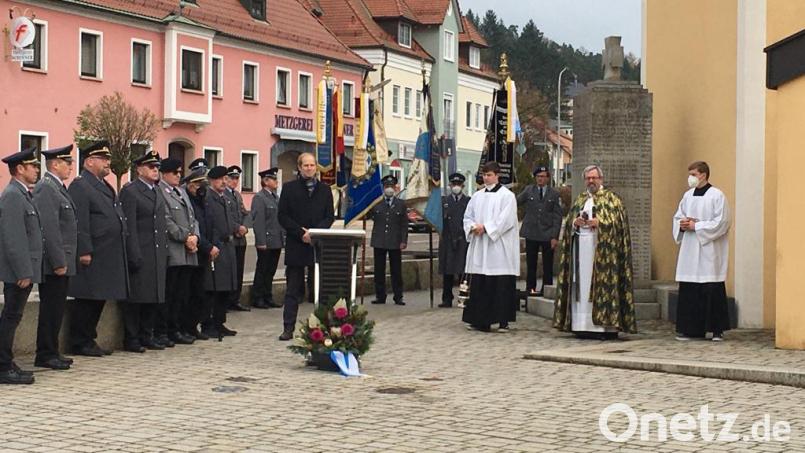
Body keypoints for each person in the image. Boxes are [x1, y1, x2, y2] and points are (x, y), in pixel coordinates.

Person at [553, 165, 636, 339]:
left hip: (602, 255)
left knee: (600, 286)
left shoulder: (612, 200)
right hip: (580, 251)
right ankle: (580, 325)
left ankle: (604, 327)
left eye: (594, 178)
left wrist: (600, 224)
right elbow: (569, 223)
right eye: (588, 178)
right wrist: (574, 223)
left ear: (601, 179)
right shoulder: (580, 199)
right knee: (581, 288)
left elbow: (618, 226)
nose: (591, 181)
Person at [68, 140, 128, 356]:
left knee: (99, 296)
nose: (108, 163)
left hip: (107, 251)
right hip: (93, 251)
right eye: (103, 159)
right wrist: (84, 250)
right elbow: (80, 221)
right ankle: (80, 341)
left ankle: (89, 338)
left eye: (108, 159)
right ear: (89, 162)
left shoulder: (104, 184)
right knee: (87, 298)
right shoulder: (80, 185)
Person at [277, 153, 334, 340]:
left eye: (312, 165)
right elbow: (283, 216)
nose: (309, 168)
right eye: (306, 165)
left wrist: (315, 232)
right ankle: (288, 328)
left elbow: (329, 216)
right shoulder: (289, 188)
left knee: (320, 289)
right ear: (299, 168)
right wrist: (300, 232)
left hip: (318, 244)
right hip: (297, 244)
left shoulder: (325, 190)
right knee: (293, 289)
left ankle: (323, 327)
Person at [673, 161, 731, 341]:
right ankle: (691, 329)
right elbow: (678, 216)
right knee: (690, 289)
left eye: (694, 174)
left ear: (704, 175)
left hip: (709, 251)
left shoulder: (717, 196)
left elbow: (722, 222)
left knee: (710, 287)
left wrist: (696, 225)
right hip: (690, 250)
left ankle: (716, 329)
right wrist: (682, 225)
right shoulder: (687, 195)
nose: (690, 178)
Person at [32, 145, 78, 370]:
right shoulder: (46, 188)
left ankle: (52, 350)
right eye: (67, 163)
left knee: (57, 307)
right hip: (54, 263)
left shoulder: (57, 187)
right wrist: (59, 260)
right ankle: (46, 352)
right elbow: (49, 229)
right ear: (54, 164)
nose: (71, 167)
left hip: (62, 260)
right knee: (51, 308)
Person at [119, 151, 169, 352]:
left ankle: (147, 334)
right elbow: (128, 225)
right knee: (137, 297)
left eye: (157, 167)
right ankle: (132, 338)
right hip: (141, 250)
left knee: (153, 296)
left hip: (156, 251)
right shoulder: (131, 191)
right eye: (151, 167)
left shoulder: (157, 191)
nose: (155, 170)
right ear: (139, 169)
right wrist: (133, 252)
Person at [0, 148, 42, 384]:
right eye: (32, 166)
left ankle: (6, 361)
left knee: (13, 316)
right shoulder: (13, 196)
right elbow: (14, 238)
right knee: (10, 317)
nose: (37, 170)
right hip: (18, 272)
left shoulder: (22, 194)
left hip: (23, 269)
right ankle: (3, 366)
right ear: (19, 169)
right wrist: (23, 271)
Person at [462, 162, 519, 332]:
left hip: (498, 247)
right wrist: (472, 226)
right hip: (480, 246)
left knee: (500, 283)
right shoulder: (477, 196)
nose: (486, 178)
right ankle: (480, 320)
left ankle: (503, 320)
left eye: (489, 175)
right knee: (480, 282)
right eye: (484, 175)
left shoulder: (507, 196)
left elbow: (506, 220)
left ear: (497, 175)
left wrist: (486, 228)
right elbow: (467, 216)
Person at [157, 158, 198, 345]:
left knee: (182, 294)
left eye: (180, 172)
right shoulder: (161, 192)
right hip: (174, 251)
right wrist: (185, 237)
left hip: (188, 252)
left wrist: (195, 236)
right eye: (175, 172)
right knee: (170, 294)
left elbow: (192, 218)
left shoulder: (181, 192)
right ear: (164, 173)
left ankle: (177, 328)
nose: (178, 176)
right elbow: (166, 221)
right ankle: (165, 330)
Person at [200, 166, 238, 338]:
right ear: (212, 180)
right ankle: (208, 323)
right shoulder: (208, 198)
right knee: (212, 288)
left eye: (226, 179)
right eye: (221, 179)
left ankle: (220, 322)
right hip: (216, 247)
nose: (224, 182)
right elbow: (208, 224)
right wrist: (210, 245)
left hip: (227, 246)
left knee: (225, 288)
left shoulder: (225, 197)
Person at [517, 166, 562, 296]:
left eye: (543, 176)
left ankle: (546, 289)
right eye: (538, 177)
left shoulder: (554, 194)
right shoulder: (528, 190)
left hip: (547, 234)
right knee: (531, 263)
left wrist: (555, 236)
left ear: (547, 178)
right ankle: (530, 289)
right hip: (531, 233)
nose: (540, 179)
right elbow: (516, 201)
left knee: (548, 264)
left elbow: (557, 216)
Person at [369, 175, 408, 306]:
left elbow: (404, 224)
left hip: (395, 242)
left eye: (391, 187)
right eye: (387, 187)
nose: (389, 189)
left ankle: (398, 296)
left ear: (396, 188)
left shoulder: (401, 204)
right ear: (383, 188)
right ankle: (380, 296)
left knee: (396, 271)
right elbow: (368, 215)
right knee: (379, 270)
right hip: (379, 241)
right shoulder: (376, 203)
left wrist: (403, 240)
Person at [184, 169, 212, 340]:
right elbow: (194, 225)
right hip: (194, 250)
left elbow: (208, 224)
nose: (201, 189)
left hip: (203, 251)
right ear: (191, 185)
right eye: (198, 185)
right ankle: (186, 326)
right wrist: (205, 246)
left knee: (199, 293)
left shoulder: (202, 201)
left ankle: (193, 326)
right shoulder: (189, 201)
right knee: (189, 293)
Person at [250, 168, 284, 309]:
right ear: (265, 181)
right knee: (262, 269)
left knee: (271, 270)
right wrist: (261, 241)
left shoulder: (275, 197)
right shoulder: (259, 198)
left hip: (276, 240)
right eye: (274, 179)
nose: (277, 182)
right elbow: (258, 221)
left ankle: (267, 295)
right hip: (267, 241)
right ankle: (258, 297)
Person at [438, 173, 470, 308]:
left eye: (458, 185)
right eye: (453, 185)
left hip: (463, 239)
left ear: (462, 186)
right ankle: (447, 298)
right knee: (448, 270)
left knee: (464, 271)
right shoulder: (444, 201)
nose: (456, 187)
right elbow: (437, 220)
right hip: (447, 239)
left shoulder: (468, 201)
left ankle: (464, 297)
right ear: (450, 185)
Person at [224, 165, 250, 312]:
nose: (234, 181)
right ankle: (227, 300)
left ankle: (235, 298)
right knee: (230, 270)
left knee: (239, 270)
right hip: (232, 238)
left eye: (237, 179)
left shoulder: (237, 195)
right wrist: (236, 228)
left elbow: (245, 213)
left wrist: (244, 227)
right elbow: (226, 217)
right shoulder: (224, 195)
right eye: (232, 178)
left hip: (241, 239)